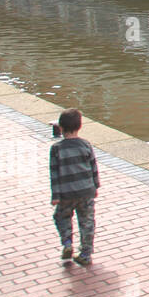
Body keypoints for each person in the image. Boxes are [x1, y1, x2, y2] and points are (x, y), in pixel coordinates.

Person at [50, 109, 99, 266]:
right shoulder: (86, 145)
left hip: (66, 193)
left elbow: (54, 174)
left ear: (61, 128)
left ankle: (67, 243)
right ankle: (86, 253)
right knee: (87, 221)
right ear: (80, 127)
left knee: (61, 217)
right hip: (86, 191)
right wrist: (95, 186)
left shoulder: (57, 149)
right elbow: (93, 167)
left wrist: (55, 195)